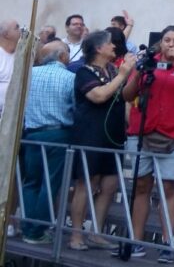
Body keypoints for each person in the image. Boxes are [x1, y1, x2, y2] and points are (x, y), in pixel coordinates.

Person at [121, 25, 174, 263]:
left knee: (168, 188)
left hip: (173, 135)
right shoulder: (148, 63)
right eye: (167, 40)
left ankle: (167, 243)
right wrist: (137, 72)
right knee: (141, 187)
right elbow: (127, 95)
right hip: (142, 132)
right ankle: (136, 240)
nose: (170, 44)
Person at [69, 31, 136, 250]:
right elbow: (98, 96)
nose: (114, 47)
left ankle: (96, 232)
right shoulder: (84, 72)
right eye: (110, 44)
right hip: (91, 135)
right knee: (87, 184)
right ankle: (76, 235)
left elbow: (124, 97)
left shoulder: (114, 70)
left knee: (109, 185)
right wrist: (122, 75)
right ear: (98, 48)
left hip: (114, 135)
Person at [20, 40, 75, 245]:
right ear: (61, 56)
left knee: (31, 182)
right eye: (68, 52)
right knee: (49, 184)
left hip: (32, 133)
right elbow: (76, 108)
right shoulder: (71, 77)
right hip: (58, 134)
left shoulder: (30, 75)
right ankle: (36, 231)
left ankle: (26, 227)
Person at [0, 18, 19, 117]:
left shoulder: (21, 55)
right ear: (6, 34)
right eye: (17, 28)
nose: (21, 32)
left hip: (15, 113)